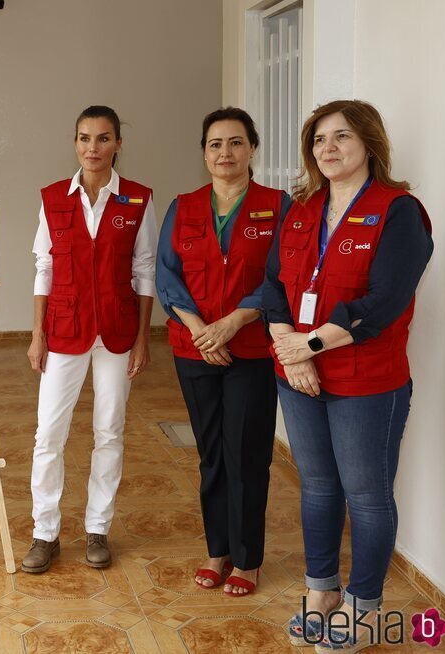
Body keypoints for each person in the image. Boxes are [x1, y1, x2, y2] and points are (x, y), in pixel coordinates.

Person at [264, 100, 433, 651]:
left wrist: (307, 345)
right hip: (300, 375)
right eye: (318, 140)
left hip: (367, 379)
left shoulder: (398, 210)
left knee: (366, 494)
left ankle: (363, 607)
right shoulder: (301, 208)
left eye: (341, 137)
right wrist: (295, 354)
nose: (327, 149)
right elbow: (273, 288)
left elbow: (384, 301)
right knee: (315, 487)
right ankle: (321, 592)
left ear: (369, 144)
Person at [156, 107, 288, 596]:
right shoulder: (184, 206)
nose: (225, 153)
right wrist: (199, 331)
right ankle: (218, 550)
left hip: (250, 348)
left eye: (235, 143)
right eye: (215, 144)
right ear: (204, 153)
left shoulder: (278, 205)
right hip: (195, 351)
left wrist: (232, 323)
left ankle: (248, 558)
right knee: (211, 454)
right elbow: (167, 277)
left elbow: (281, 276)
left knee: (247, 454)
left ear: (252, 148)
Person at [23, 106, 156, 573]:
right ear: (74, 142)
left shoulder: (138, 199)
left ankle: (98, 528)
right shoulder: (53, 198)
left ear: (118, 143)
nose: (92, 149)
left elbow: (144, 271)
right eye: (84, 138)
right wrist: (38, 334)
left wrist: (142, 338)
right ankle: (45, 533)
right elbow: (44, 268)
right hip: (63, 331)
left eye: (103, 139)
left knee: (109, 431)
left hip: (117, 333)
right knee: (49, 435)